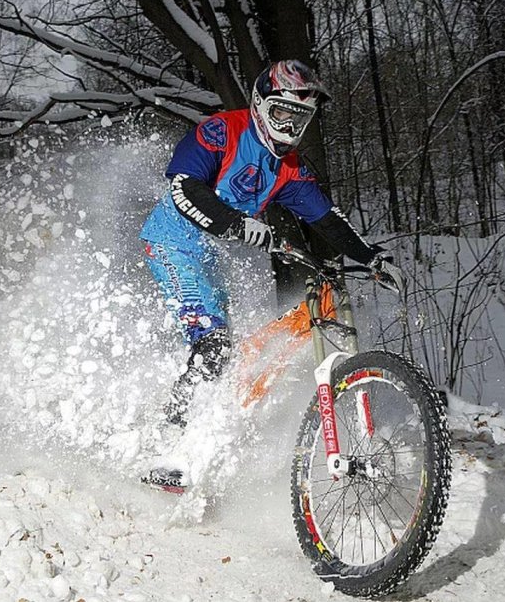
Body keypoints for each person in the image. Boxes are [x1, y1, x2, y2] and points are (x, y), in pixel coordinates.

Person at [139, 59, 403, 433]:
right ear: (261, 103)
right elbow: (184, 187)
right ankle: (168, 431)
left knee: (225, 351)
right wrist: (236, 223)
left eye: (300, 118)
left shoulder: (288, 168)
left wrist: (372, 257)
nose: (290, 127)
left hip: (209, 252)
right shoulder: (221, 132)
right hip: (171, 242)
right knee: (213, 345)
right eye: (283, 113)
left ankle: (206, 425)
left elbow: (326, 218)